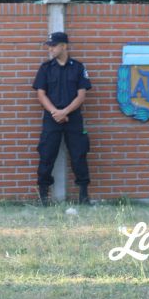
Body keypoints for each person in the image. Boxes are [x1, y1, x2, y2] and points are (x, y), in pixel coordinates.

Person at [32, 31, 92, 206]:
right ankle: (43, 196)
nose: (50, 49)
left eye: (53, 45)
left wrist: (65, 112)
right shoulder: (45, 68)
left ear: (64, 46)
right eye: (48, 45)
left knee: (79, 155)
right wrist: (55, 113)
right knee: (46, 155)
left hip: (73, 119)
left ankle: (83, 195)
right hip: (52, 119)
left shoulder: (78, 67)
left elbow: (81, 95)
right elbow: (41, 94)